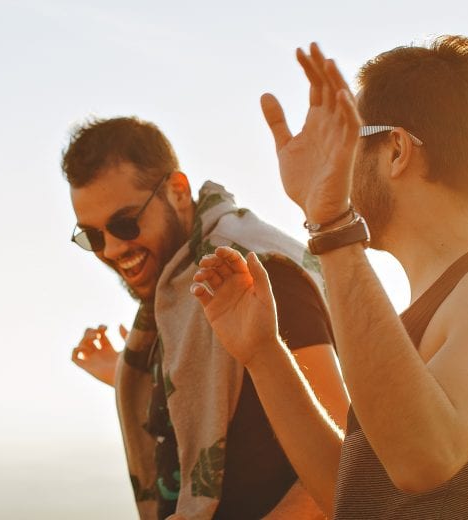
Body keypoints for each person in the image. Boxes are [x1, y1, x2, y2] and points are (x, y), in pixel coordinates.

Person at [193, 37, 468, 519]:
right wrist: (264, 354)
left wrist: (331, 224)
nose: (335, 164)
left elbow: (422, 458)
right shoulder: (442, 303)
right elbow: (359, 499)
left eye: (348, 142)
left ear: (396, 149)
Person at [62, 117, 349, 519]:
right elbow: (224, 395)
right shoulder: (179, 289)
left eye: (124, 224)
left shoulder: (258, 274)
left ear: (177, 191)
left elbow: (345, 458)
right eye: (91, 236)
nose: (111, 249)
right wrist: (130, 372)